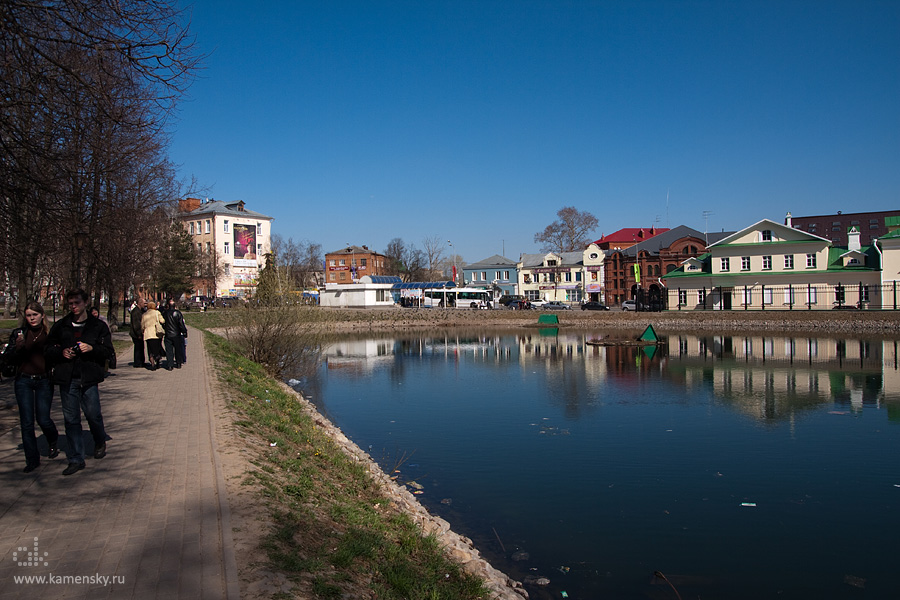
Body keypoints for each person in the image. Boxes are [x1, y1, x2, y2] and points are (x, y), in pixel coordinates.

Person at [46, 289, 114, 476]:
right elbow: (48, 349)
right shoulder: (61, 326)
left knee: (93, 415)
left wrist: (91, 348)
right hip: (68, 378)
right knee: (71, 419)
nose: (74, 307)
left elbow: (108, 351)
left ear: (85, 302)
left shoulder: (97, 326)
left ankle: (99, 440)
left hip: (89, 378)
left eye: (77, 303)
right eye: (70, 304)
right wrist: (61, 352)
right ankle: (76, 458)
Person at [8, 302, 60, 473]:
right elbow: (10, 359)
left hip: (44, 380)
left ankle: (52, 440)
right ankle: (32, 459)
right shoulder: (19, 334)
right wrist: (17, 348)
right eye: (29, 315)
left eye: (34, 315)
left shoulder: (48, 334)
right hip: (24, 381)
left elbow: (55, 356)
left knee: (43, 418)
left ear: (42, 315)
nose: (31, 319)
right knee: (26, 422)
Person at [162, 299, 188, 370]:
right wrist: (184, 332)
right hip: (176, 334)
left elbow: (162, 323)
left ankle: (170, 365)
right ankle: (178, 363)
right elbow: (181, 324)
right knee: (178, 349)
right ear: (174, 306)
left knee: (169, 350)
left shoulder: (165, 313)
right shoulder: (178, 313)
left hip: (168, 334)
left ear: (168, 306)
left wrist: (165, 329)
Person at [141, 301, 165, 370]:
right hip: (156, 333)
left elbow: (142, 325)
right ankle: (157, 360)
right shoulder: (157, 313)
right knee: (157, 348)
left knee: (150, 349)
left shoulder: (144, 315)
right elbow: (162, 321)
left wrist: (143, 331)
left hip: (148, 334)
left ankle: (152, 364)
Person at [129, 297, 146, 368]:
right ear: (140, 303)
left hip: (139, 333)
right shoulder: (136, 312)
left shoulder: (140, 311)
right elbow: (136, 324)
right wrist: (139, 333)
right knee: (138, 348)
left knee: (141, 347)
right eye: (144, 303)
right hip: (136, 333)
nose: (145, 305)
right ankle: (138, 362)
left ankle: (141, 361)